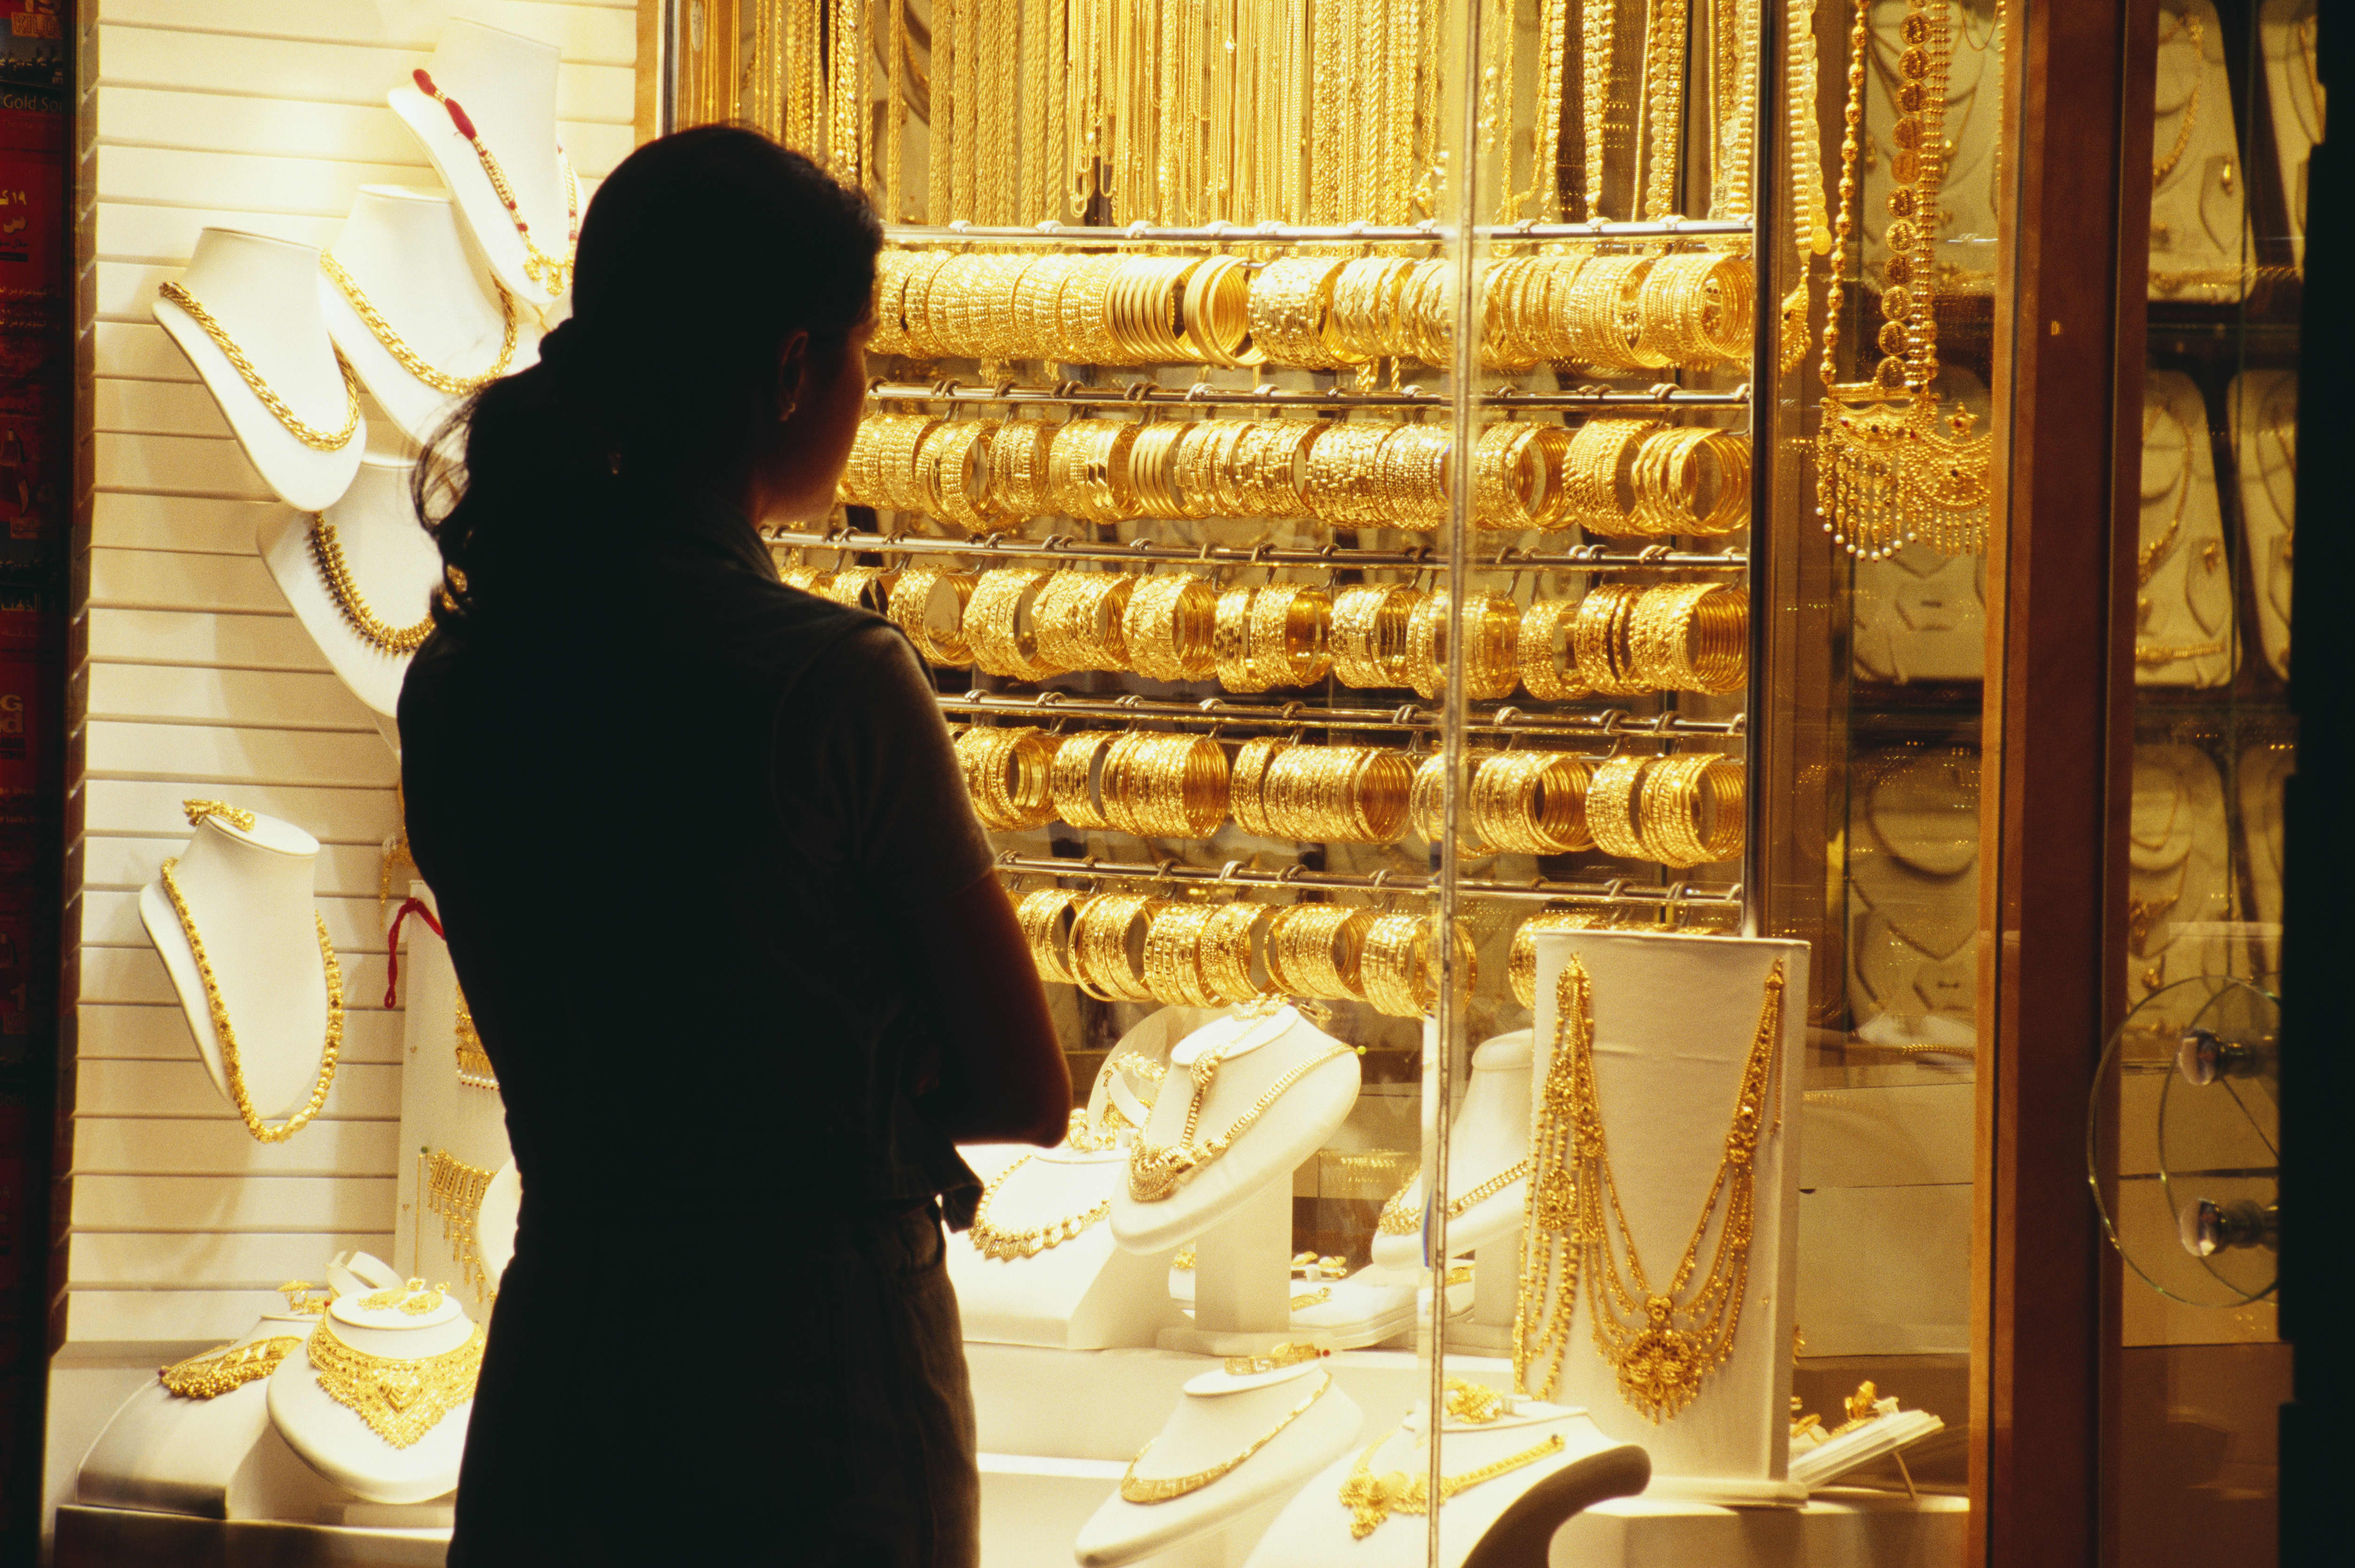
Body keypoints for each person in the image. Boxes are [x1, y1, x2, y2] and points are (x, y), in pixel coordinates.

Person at [399, 126, 1070, 1567]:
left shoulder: (460, 679)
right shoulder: (826, 683)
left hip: (569, 1358)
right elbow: (1023, 1085)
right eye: (857, 355)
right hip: (812, 1381)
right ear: (788, 370)